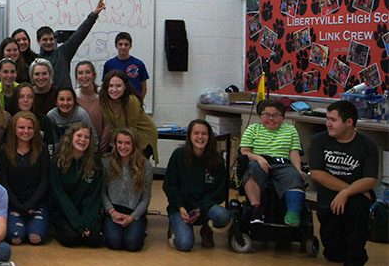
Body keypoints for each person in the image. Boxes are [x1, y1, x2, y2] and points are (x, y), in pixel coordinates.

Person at [309, 100, 379, 266]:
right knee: (333, 254)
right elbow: (317, 174)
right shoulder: (319, 140)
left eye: (333, 120)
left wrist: (347, 193)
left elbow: (370, 179)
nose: (328, 124)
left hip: (355, 198)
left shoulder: (367, 145)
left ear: (349, 123)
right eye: (327, 119)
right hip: (329, 200)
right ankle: (344, 248)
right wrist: (345, 189)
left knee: (358, 206)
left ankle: (356, 260)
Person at [163, 119, 230, 251]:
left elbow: (220, 190)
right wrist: (181, 207)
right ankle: (175, 226)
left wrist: (201, 208)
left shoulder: (217, 159)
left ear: (209, 137)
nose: (200, 137)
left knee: (224, 216)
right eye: (196, 133)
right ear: (189, 136)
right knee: (185, 244)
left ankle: (207, 228)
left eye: (204, 134)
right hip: (181, 208)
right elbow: (170, 186)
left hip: (204, 207)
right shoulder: (178, 155)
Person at [239, 99, 304, 225]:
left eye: (276, 115)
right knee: (251, 169)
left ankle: (293, 214)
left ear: (283, 117)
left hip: (283, 164)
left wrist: (298, 169)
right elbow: (244, 151)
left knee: (295, 176)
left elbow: (294, 152)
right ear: (260, 116)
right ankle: (256, 210)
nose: (271, 119)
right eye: (266, 115)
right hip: (259, 162)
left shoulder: (290, 130)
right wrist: (259, 158)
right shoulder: (253, 129)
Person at [0, 111, 49, 245]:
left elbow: (45, 181)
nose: (25, 131)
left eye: (30, 128)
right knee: (16, 238)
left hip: (36, 203)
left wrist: (30, 204)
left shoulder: (41, 150)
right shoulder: (4, 150)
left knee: (35, 238)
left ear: (35, 130)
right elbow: (3, 182)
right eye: (21, 127)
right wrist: (19, 207)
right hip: (13, 204)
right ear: (14, 129)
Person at [49, 122, 104, 248]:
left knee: (95, 240)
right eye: (79, 136)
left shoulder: (95, 162)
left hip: (86, 211)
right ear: (71, 138)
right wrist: (79, 225)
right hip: (64, 211)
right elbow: (59, 196)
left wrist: (87, 223)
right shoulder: (57, 161)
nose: (82, 140)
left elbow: (93, 198)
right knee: (71, 239)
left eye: (86, 137)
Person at [38, 0, 105, 89]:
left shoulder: (63, 53)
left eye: (51, 39)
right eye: (45, 39)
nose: (49, 42)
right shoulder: (35, 60)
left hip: (66, 99)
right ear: (38, 42)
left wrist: (94, 14)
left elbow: (80, 34)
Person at [101, 128, 152, 252]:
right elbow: (102, 192)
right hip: (113, 210)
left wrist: (133, 217)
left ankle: (140, 229)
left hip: (134, 211)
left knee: (132, 245)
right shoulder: (106, 162)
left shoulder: (145, 165)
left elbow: (146, 197)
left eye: (127, 143)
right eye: (119, 142)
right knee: (114, 243)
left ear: (134, 145)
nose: (123, 147)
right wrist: (111, 212)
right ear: (115, 143)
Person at [99, 70, 158, 162]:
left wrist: (121, 147)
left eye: (118, 86)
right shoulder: (104, 100)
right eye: (111, 86)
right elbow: (112, 127)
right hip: (124, 133)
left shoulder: (131, 101)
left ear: (125, 87)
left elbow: (131, 129)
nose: (114, 90)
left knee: (134, 164)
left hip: (142, 134)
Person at [102, 32, 150, 102]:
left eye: (126, 44)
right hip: (115, 102)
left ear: (130, 46)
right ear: (116, 46)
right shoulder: (109, 64)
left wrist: (139, 102)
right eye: (120, 44)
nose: (123, 47)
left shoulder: (139, 64)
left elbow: (144, 87)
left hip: (134, 102)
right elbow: (105, 86)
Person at [74, 61, 110, 153]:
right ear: (76, 77)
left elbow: (108, 124)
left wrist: (101, 147)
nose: (84, 76)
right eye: (80, 73)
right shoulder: (73, 97)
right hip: (79, 148)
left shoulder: (103, 95)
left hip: (100, 149)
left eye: (88, 72)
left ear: (94, 75)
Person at [13, 83, 56, 157]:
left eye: (30, 97)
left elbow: (50, 146)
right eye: (21, 97)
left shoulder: (44, 120)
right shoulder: (10, 119)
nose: (25, 100)